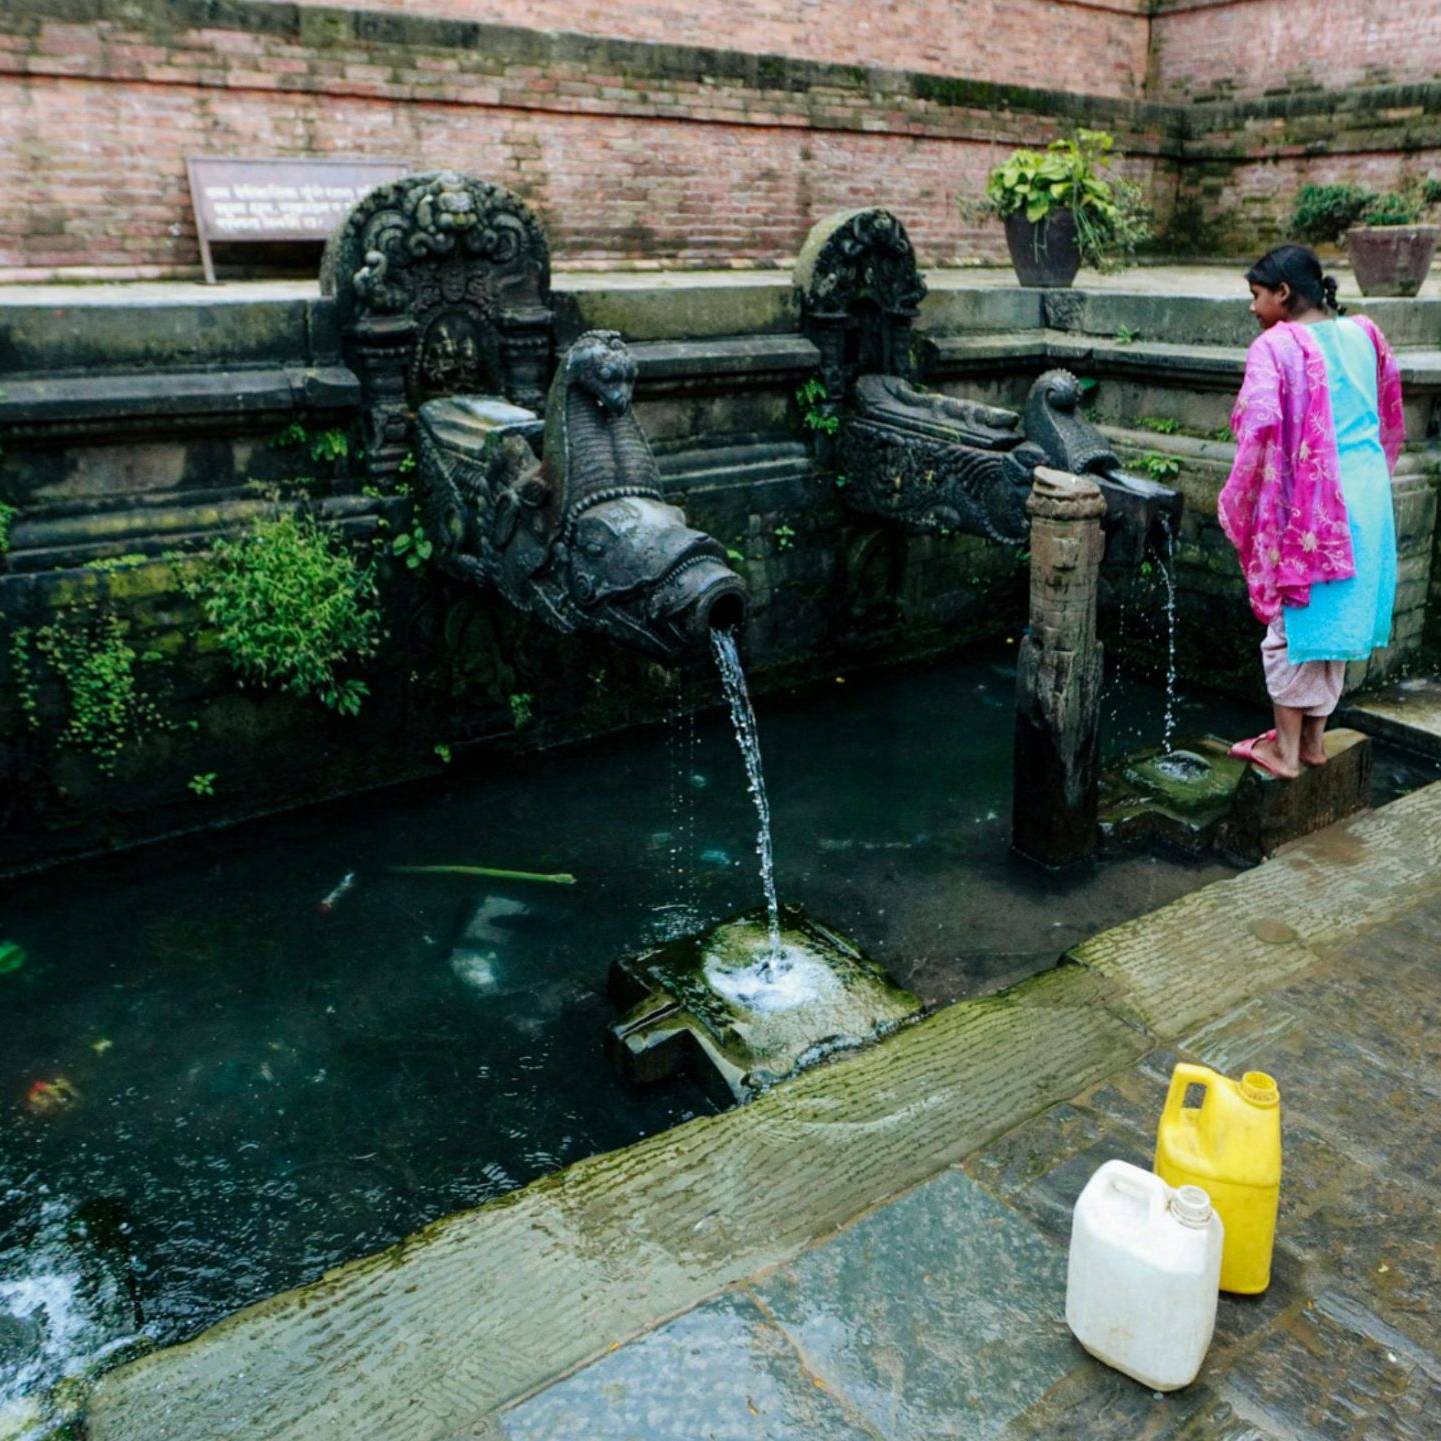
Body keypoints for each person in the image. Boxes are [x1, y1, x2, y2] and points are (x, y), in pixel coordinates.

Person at [1218, 243, 1404, 779]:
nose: (1253, 308)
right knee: (1334, 623)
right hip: (1368, 497)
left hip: (1314, 505)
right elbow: (1388, 411)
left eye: (1256, 295)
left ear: (1282, 293)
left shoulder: (1276, 345)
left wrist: (1239, 499)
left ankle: (1283, 753)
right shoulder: (1366, 333)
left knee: (1290, 624)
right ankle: (1314, 744)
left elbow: (1257, 429)